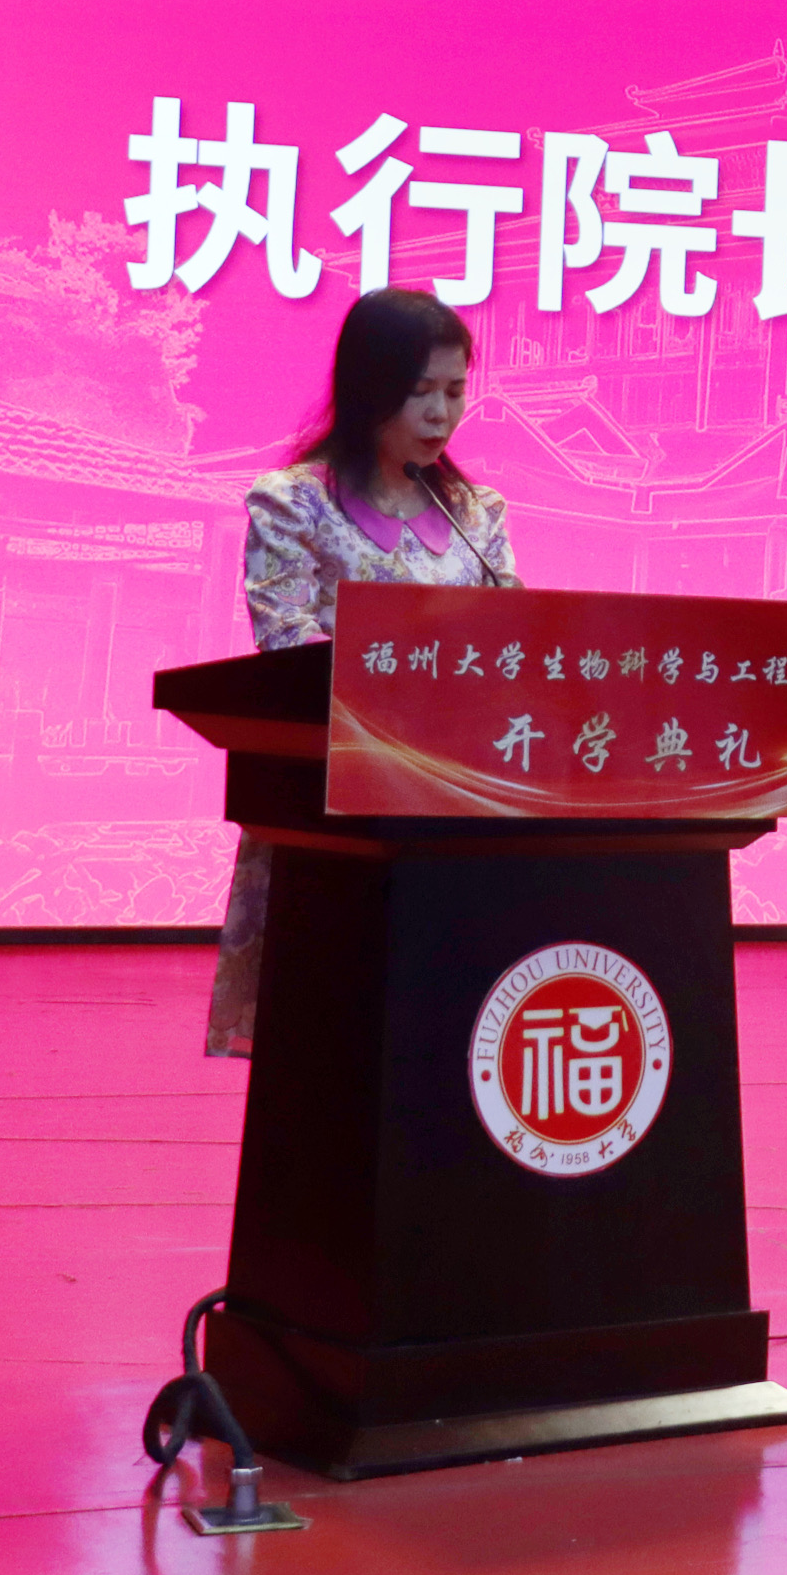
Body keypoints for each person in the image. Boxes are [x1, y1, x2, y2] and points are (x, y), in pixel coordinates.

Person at [209, 287, 521, 1058]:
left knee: (448, 1038)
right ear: (368, 388)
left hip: (458, 795)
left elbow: (513, 641)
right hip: (339, 797)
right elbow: (285, 642)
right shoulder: (296, 502)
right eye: (420, 392)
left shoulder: (476, 513)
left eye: (455, 391)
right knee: (334, 1036)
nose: (441, 414)